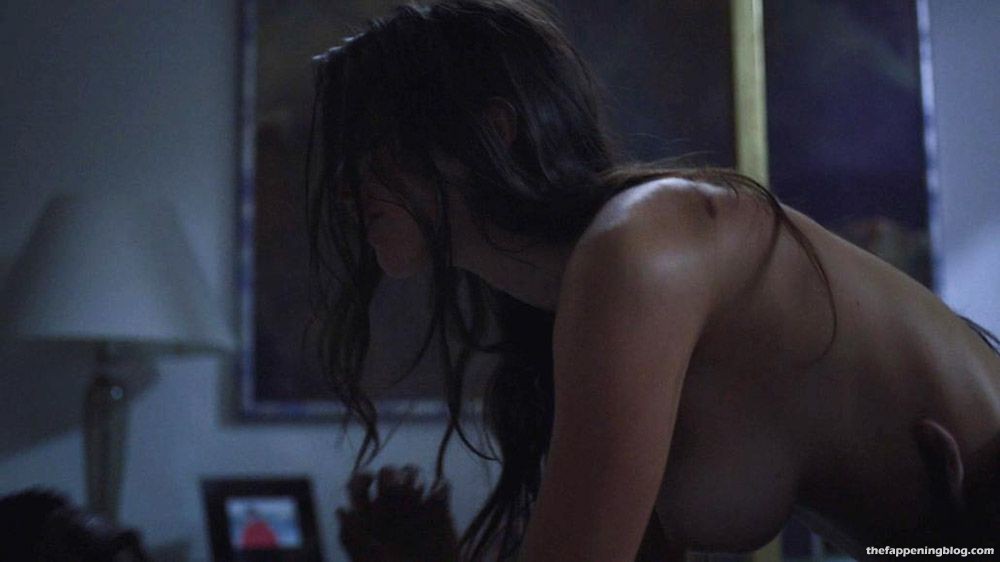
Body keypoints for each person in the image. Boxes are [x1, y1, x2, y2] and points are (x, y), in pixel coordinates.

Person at [306, 1, 1000, 560]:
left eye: (373, 151)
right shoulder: (578, 305)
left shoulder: (638, 247)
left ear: (494, 132)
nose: (344, 189)